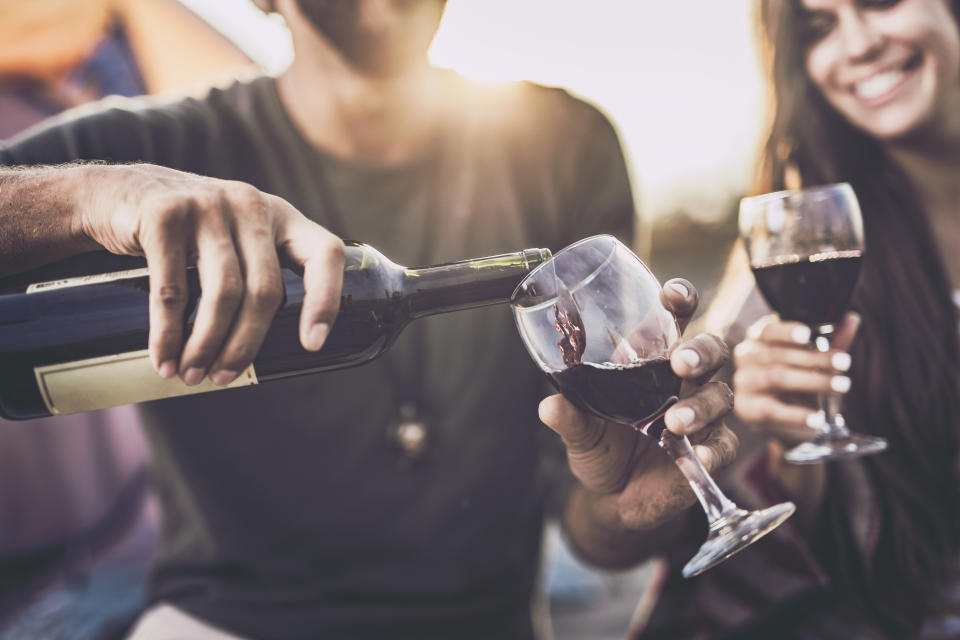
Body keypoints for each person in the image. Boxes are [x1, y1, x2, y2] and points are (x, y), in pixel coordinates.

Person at [0, 1, 739, 638]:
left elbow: (593, 521)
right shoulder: (155, 154)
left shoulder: (561, 146)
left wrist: (624, 508)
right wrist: (88, 198)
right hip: (223, 623)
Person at [641, 0, 960, 638]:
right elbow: (733, 554)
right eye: (818, 29)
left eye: (879, 2)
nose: (859, 44)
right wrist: (782, 444)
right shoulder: (801, 249)